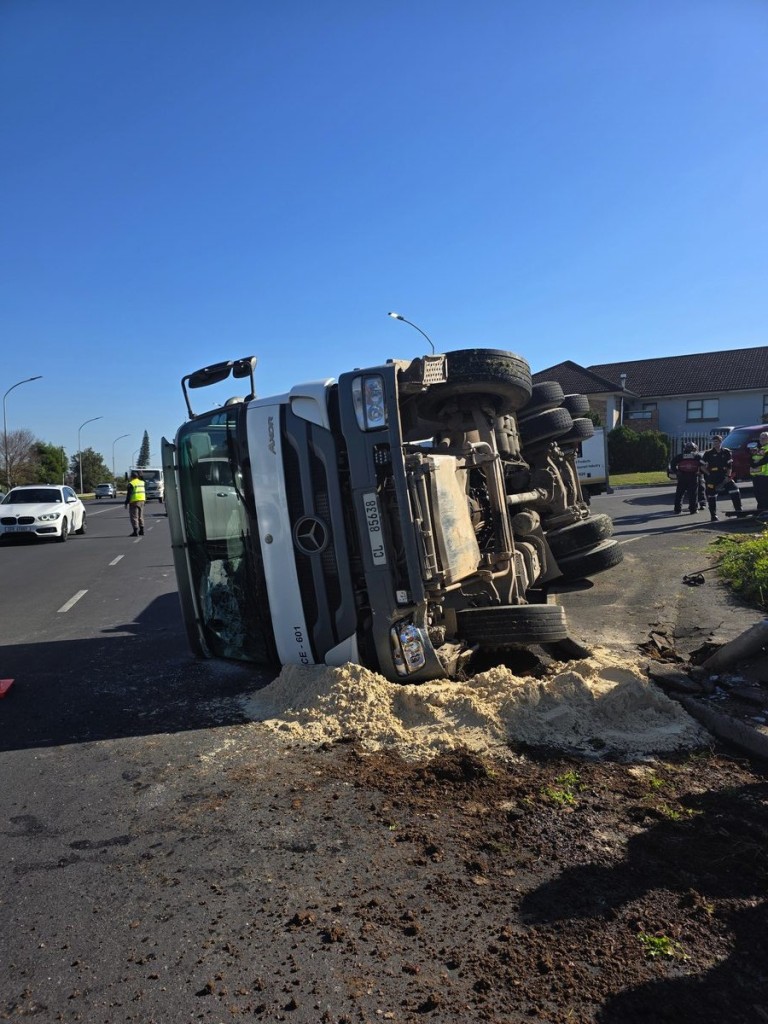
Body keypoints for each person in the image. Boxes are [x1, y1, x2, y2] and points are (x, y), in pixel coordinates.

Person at [701, 435, 743, 522]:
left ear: (721, 442)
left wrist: (728, 476)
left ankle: (738, 511)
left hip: (724, 476)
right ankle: (713, 516)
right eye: (714, 442)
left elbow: (729, 466)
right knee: (711, 496)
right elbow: (702, 466)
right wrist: (708, 474)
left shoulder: (727, 452)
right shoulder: (708, 453)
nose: (715, 443)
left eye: (717, 442)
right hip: (712, 477)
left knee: (735, 490)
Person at [668, 440, 703, 515]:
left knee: (679, 494)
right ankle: (693, 510)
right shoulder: (697, 456)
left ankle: (677, 510)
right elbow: (703, 465)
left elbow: (672, 463)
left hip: (682, 476)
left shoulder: (680, 456)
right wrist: (700, 473)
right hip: (693, 476)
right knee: (693, 494)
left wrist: (677, 472)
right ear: (694, 448)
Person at [749, 431, 768, 511]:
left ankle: (764, 510)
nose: (762, 440)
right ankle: (760, 509)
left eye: (764, 438)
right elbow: (751, 459)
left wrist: (756, 463)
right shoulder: (758, 449)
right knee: (757, 494)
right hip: (756, 475)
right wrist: (753, 463)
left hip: (765, 475)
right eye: (761, 438)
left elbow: (765, 460)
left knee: (764, 494)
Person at [125, 470, 146, 536]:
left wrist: (126, 502)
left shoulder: (131, 483)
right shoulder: (142, 482)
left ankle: (135, 531)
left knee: (134, 517)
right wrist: (141, 475)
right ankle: (142, 530)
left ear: (132, 477)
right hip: (142, 500)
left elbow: (129, 494)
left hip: (134, 501)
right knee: (140, 516)